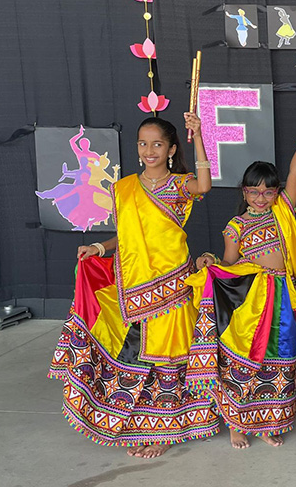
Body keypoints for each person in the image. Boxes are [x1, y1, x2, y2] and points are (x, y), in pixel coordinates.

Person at [49, 113, 217, 458]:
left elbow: (203, 186)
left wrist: (198, 135)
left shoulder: (178, 186)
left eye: (157, 144)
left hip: (172, 287)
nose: (149, 150)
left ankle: (165, 432)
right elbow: (125, 237)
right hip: (136, 286)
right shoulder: (124, 187)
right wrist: (99, 247)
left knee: (167, 359)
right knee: (137, 356)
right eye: (143, 143)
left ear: (171, 148)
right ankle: (141, 423)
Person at [188, 117, 296, 449]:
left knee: (284, 358)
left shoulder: (282, 211)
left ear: (276, 193)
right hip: (252, 301)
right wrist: (210, 261)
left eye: (267, 191)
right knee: (247, 362)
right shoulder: (236, 225)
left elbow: (294, 172)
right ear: (244, 192)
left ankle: (270, 421)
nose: (261, 197)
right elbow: (229, 264)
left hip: (282, 298)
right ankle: (238, 423)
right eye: (253, 190)